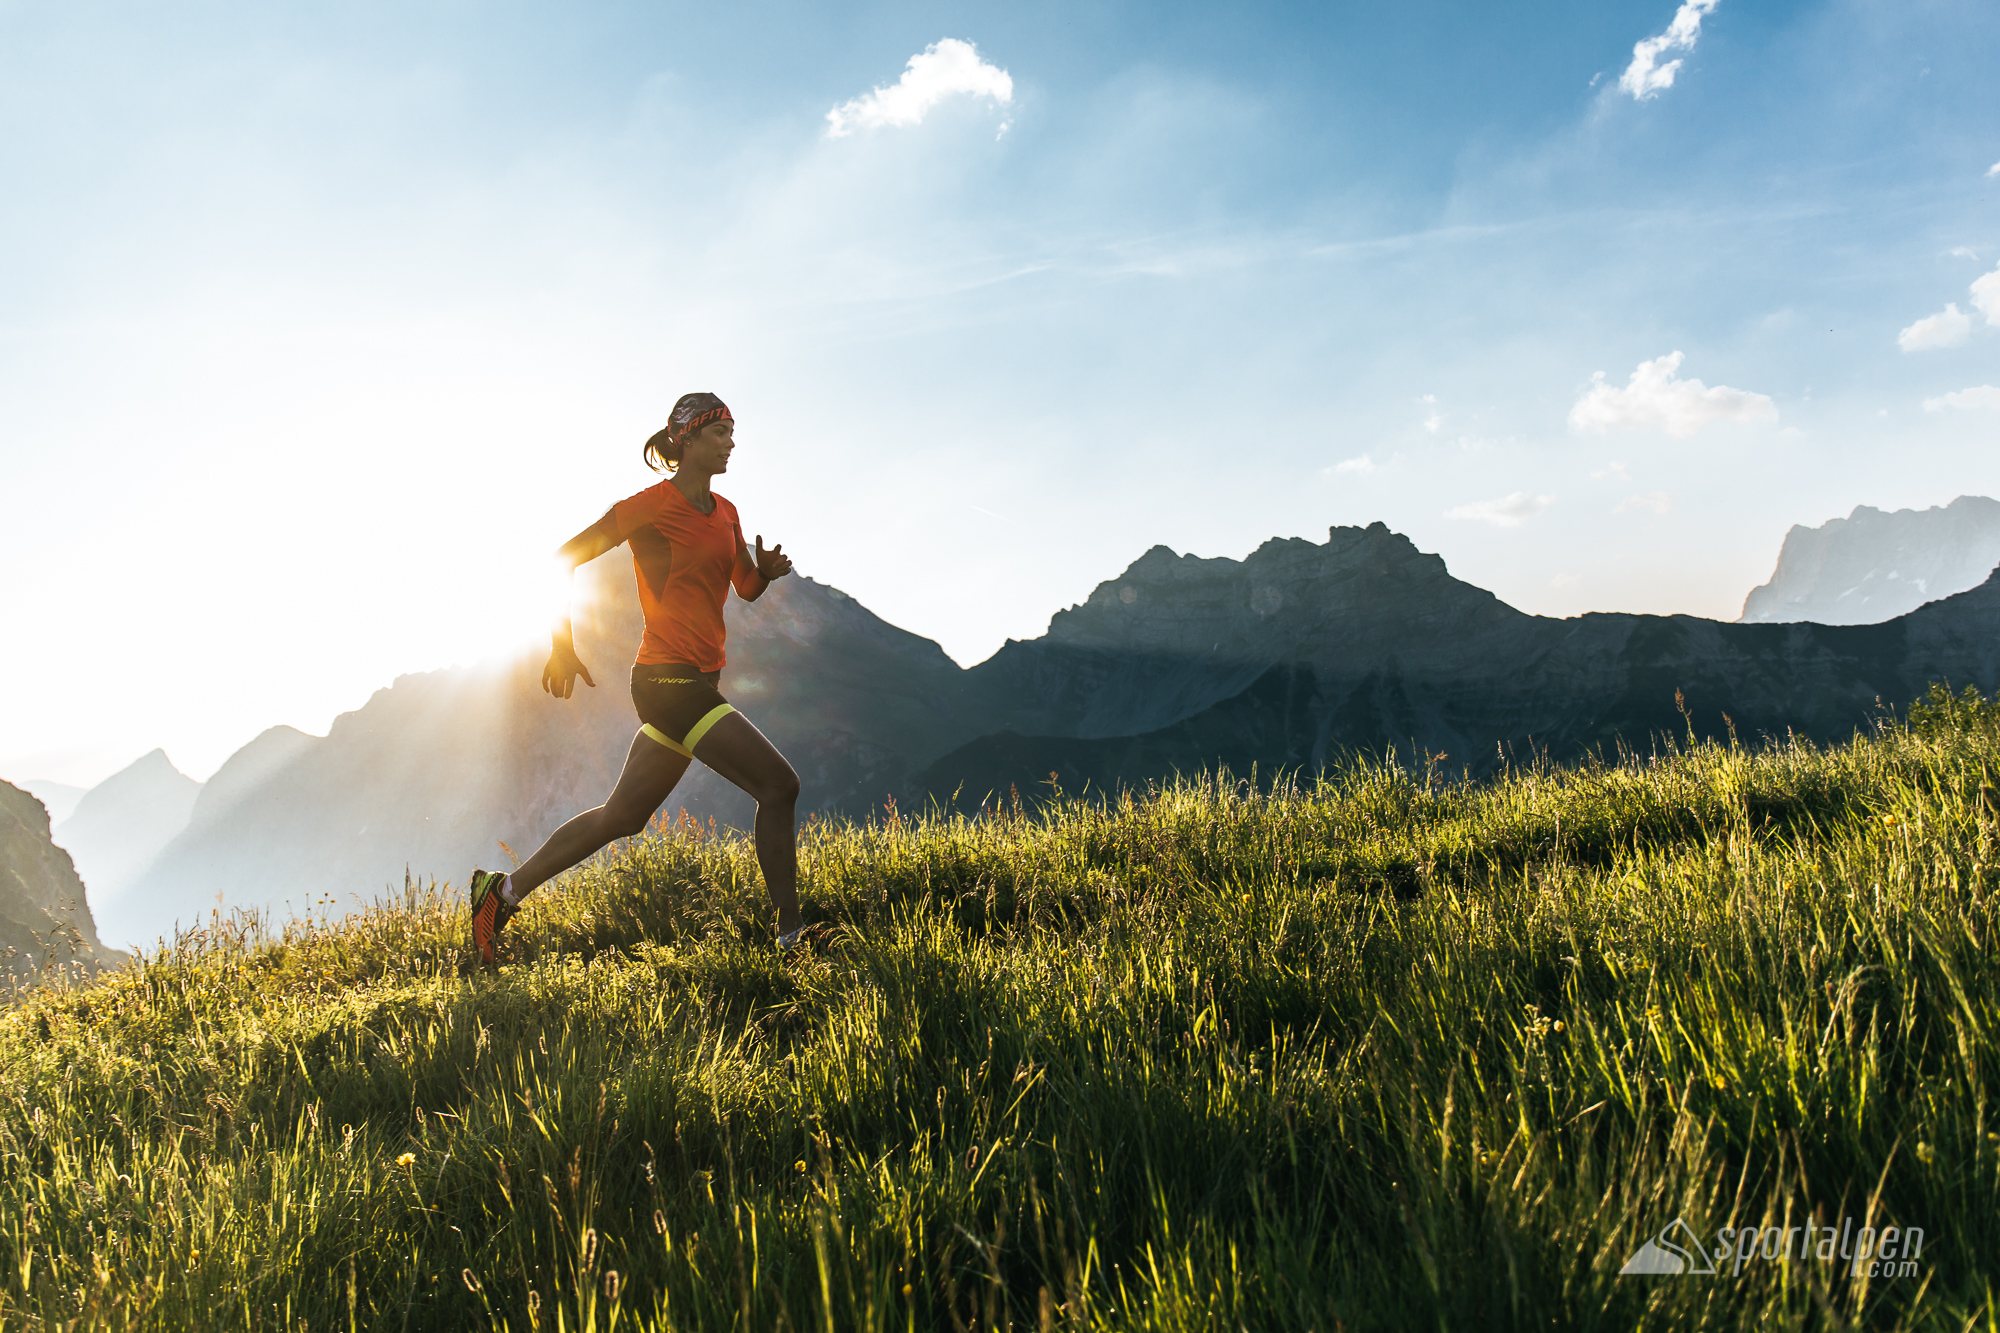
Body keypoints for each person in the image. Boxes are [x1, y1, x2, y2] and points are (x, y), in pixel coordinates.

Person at [468, 392, 805, 966]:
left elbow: (743, 588)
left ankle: (499, 895)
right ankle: (794, 940)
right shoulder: (647, 506)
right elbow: (563, 559)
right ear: (688, 440)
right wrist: (561, 644)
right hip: (665, 681)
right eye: (719, 431)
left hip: (700, 682)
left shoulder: (726, 512)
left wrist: (766, 574)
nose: (730, 441)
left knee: (622, 816)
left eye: (732, 431)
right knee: (779, 786)